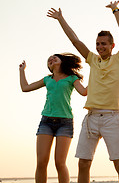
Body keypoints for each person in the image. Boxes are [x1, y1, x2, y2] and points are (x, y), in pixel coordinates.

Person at [47, 0, 119, 183]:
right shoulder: (93, 59)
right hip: (91, 117)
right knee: (83, 164)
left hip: (111, 117)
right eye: (98, 44)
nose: (100, 47)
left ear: (112, 46)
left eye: (104, 44)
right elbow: (75, 40)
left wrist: (115, 10)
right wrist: (61, 19)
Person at [19, 53, 87, 183]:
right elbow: (25, 88)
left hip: (65, 123)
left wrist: (98, 78)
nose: (51, 59)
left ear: (62, 61)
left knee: (60, 163)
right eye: (49, 59)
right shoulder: (47, 79)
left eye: (55, 57)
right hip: (46, 122)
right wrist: (22, 71)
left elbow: (84, 92)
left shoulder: (72, 78)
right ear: (49, 67)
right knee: (41, 162)